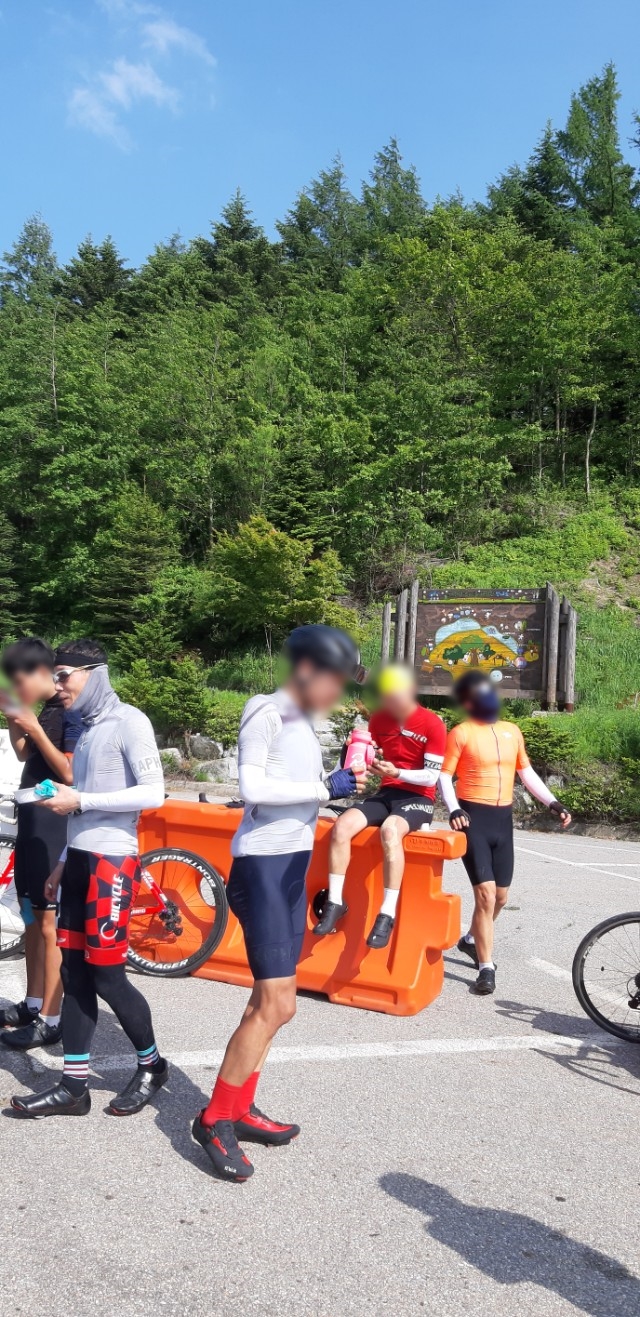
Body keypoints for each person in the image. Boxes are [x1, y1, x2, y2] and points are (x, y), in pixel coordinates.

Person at [192, 624, 365, 1183]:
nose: (339, 693)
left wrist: (331, 787)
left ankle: (240, 1108)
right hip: (262, 868)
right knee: (273, 1004)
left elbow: (299, 792)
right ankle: (214, 1118)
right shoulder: (265, 710)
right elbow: (253, 790)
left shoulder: (304, 723)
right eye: (336, 679)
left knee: (279, 1005)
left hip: (290, 867)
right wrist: (325, 789)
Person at [10, 638, 167, 1119]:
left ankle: (152, 1064)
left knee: (107, 976)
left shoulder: (130, 721)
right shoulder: (89, 728)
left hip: (112, 863)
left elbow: (154, 793)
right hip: (78, 859)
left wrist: (80, 800)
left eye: (64, 676)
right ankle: (74, 1086)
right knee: (74, 972)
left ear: (94, 673)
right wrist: (62, 860)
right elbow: (81, 802)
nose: (56, 686)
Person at [439, 669, 571, 996]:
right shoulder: (462, 732)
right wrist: (454, 809)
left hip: (502, 821)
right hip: (474, 819)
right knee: (485, 895)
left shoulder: (512, 731)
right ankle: (486, 968)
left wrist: (553, 803)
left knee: (500, 898)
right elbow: (443, 777)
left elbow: (526, 773)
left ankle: (470, 940)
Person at [313, 663, 447, 948]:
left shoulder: (432, 723)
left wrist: (398, 772)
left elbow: (432, 776)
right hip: (387, 792)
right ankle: (335, 901)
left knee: (390, 830)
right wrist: (355, 751)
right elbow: (365, 761)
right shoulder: (379, 720)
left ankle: (387, 913)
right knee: (343, 826)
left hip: (419, 797)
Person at [0, 638, 81, 1050]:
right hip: (30, 820)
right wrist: (16, 716)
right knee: (31, 914)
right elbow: (22, 755)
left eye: (20, 681)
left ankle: (51, 1018)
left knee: (49, 923)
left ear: (43, 672)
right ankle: (33, 1004)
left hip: (54, 823)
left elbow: (69, 772)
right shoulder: (42, 710)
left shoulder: (69, 710)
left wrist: (32, 725)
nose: (17, 688)